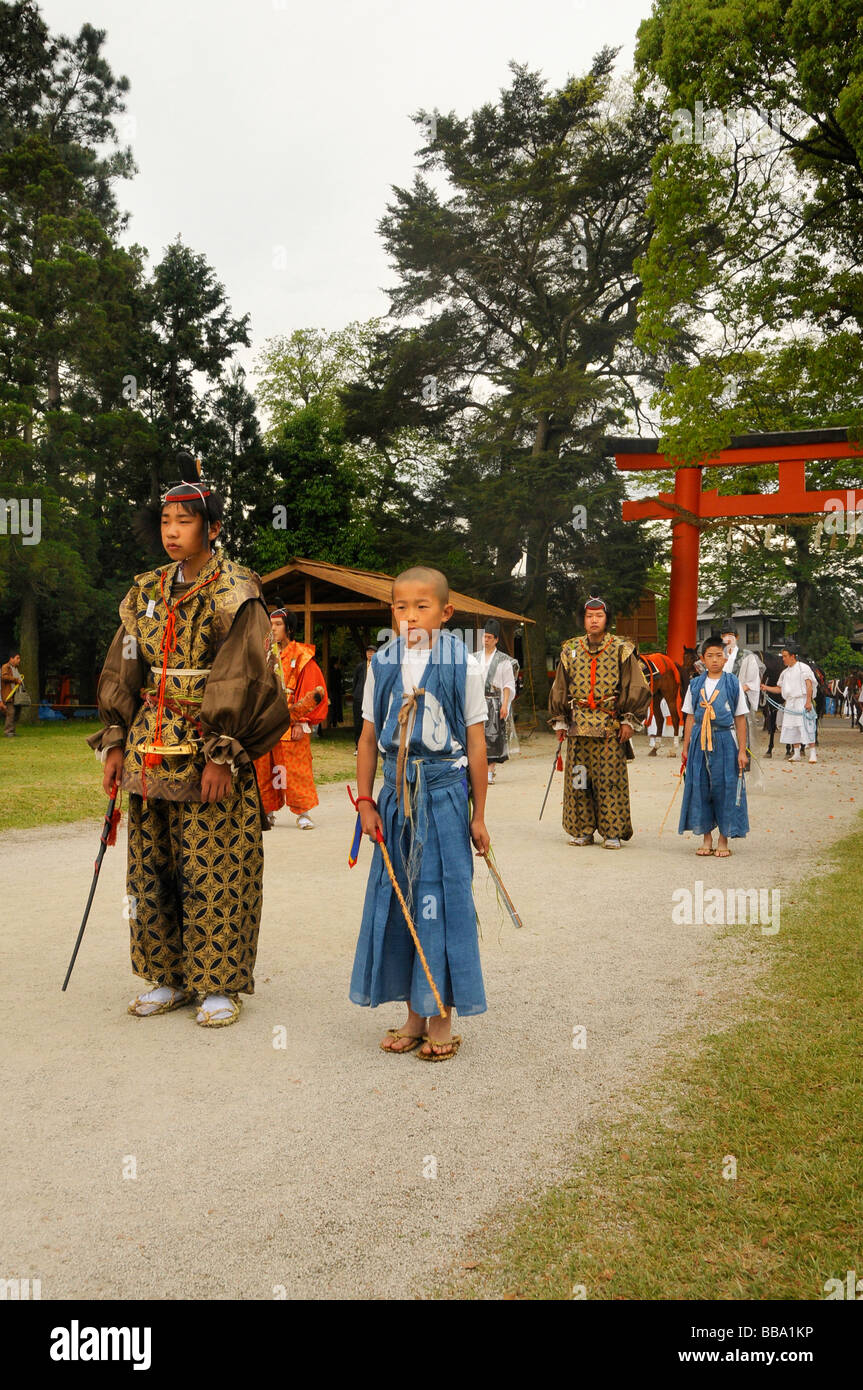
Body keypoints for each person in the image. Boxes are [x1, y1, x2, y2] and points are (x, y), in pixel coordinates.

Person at [89, 465, 291, 1028]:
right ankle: (167, 976)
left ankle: (218, 983)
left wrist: (225, 751)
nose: (172, 530)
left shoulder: (236, 590)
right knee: (151, 867)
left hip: (208, 746)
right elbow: (124, 663)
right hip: (148, 748)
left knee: (214, 863)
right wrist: (113, 742)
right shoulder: (145, 590)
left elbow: (244, 674)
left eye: (185, 520)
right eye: (165, 520)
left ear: (214, 527)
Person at [350, 566, 489, 1061]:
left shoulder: (463, 664)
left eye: (422, 607)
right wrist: (366, 801)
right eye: (400, 607)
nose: (409, 616)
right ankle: (413, 1013)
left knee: (444, 899)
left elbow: (475, 742)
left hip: (446, 794)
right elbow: (368, 738)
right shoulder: (383, 663)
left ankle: (442, 1016)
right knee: (402, 900)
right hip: (394, 799)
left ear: (446, 612)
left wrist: (478, 815)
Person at [548, 596, 651, 848]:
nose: (594, 620)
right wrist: (560, 721)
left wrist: (629, 720)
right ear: (583, 619)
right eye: (589, 616)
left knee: (609, 780)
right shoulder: (570, 650)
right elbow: (560, 686)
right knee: (579, 780)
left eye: (599, 616)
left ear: (607, 619)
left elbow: (636, 684)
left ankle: (612, 832)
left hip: (609, 726)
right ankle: (582, 829)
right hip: (578, 728)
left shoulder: (621, 648)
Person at [253, 608, 329, 829]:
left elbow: (313, 690)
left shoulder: (303, 657)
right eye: (271, 624)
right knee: (264, 768)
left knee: (295, 770)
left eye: (277, 624)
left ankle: (303, 812)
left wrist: (301, 722)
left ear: (289, 628)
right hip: (266, 723)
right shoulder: (265, 654)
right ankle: (266, 811)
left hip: (292, 721)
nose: (273, 628)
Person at [678, 634, 749, 857]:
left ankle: (723, 839)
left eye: (719, 655)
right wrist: (686, 746)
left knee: (726, 788)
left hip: (724, 739)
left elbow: (740, 718)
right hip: (699, 739)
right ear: (702, 659)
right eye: (710, 656)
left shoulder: (732, 683)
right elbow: (689, 717)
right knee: (701, 787)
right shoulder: (695, 684)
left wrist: (742, 750)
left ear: (726, 658)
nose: (715, 660)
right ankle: (706, 838)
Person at [762, 642, 818, 763]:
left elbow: (809, 685)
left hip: (802, 701)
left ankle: (813, 753)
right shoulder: (785, 672)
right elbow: (779, 689)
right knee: (792, 727)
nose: (783, 659)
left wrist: (808, 702)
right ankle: (796, 753)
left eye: (785, 656)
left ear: (792, 656)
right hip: (790, 702)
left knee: (807, 726)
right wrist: (766, 688)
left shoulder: (804, 668)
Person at [719, 621, 762, 776]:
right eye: (724, 636)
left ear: (736, 637)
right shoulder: (718, 656)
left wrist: (735, 690)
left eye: (730, 635)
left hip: (739, 699)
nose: (728, 639)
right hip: (719, 700)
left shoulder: (747, 656)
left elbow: (752, 682)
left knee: (740, 731)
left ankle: (741, 765)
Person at [479, 618, 516, 783]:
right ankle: (478, 770)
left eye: (489, 638)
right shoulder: (474, 658)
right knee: (477, 736)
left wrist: (505, 704)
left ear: (496, 640)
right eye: (484, 637)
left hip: (494, 702)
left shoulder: (503, 660)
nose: (486, 640)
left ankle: (489, 771)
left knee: (493, 738)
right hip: (478, 701)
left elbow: (508, 684)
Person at [352, 644, 376, 750]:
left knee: (373, 723)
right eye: (368, 652)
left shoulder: (379, 666)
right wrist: (356, 694)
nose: (370, 654)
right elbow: (355, 681)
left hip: (373, 699)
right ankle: (358, 746)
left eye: (372, 652)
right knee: (358, 722)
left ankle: (374, 746)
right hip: (359, 698)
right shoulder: (360, 666)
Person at [1, 653, 29, 737]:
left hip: (16, 695)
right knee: (11, 713)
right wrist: (16, 680)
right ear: (11, 658)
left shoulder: (16, 669)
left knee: (16, 713)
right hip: (9, 694)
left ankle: (12, 731)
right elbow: (4, 677)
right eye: (17, 658)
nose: (19, 660)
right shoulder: (5, 667)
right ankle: (8, 732)